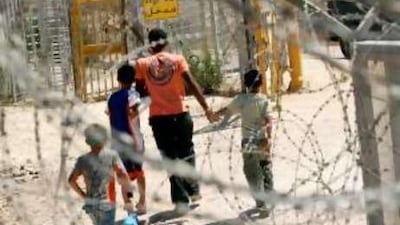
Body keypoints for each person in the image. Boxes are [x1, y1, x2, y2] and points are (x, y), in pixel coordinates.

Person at [133, 28, 216, 213]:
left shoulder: (142, 64)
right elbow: (192, 84)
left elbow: (140, 92)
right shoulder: (178, 60)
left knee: (169, 157)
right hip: (180, 114)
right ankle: (193, 190)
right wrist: (206, 108)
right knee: (187, 152)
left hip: (158, 118)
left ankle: (180, 200)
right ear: (166, 42)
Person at [215, 69, 273, 211]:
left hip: (248, 141)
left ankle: (260, 201)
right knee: (265, 167)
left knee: (251, 171)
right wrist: (269, 138)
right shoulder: (264, 100)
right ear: (262, 83)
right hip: (261, 139)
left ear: (246, 84)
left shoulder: (241, 99)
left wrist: (215, 114)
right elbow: (269, 121)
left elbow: (227, 110)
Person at [68, 124, 132, 225]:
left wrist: (84, 196)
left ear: (87, 141)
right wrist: (128, 191)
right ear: (105, 139)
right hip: (107, 203)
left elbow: (71, 180)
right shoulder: (112, 155)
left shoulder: (83, 160)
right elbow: (122, 173)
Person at [106, 64, 147, 214]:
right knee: (139, 172)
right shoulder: (133, 95)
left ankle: (128, 203)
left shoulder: (111, 97)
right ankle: (142, 202)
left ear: (118, 79)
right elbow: (133, 111)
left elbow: (108, 113)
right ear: (133, 79)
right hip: (134, 140)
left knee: (123, 174)